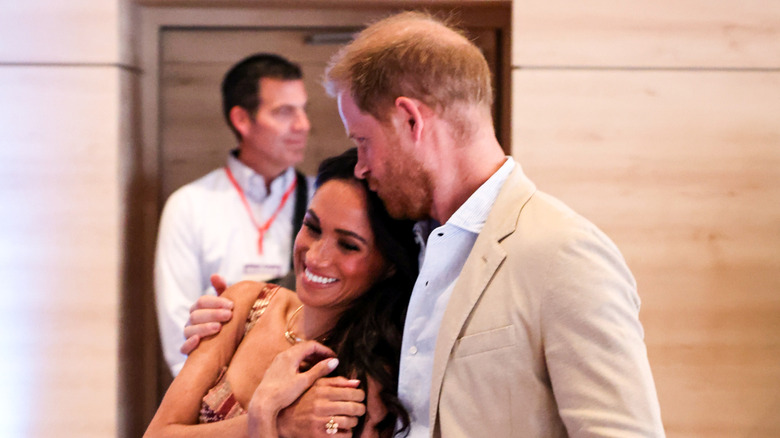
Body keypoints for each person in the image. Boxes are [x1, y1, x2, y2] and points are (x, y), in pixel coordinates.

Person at [187, 11, 666, 437]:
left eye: (364, 140)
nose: (360, 166)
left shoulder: (563, 252)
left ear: (410, 120)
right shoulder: (412, 245)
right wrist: (233, 319)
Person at [145, 149, 418, 438]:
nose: (315, 256)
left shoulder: (369, 375)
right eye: (312, 228)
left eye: (347, 245)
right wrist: (275, 421)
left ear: (389, 264)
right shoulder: (247, 303)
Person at [155, 53, 316, 376]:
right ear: (242, 120)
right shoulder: (190, 205)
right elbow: (179, 336)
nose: (303, 125)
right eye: (285, 112)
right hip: (214, 399)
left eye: (303, 109)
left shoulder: (321, 200)